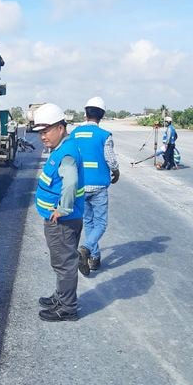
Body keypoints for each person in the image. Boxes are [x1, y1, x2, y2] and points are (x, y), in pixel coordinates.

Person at [32, 103, 86, 322]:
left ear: (61, 128)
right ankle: (61, 296)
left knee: (64, 264)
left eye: (46, 131)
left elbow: (71, 182)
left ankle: (67, 307)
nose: (42, 136)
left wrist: (62, 209)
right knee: (62, 262)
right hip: (63, 221)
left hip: (62, 222)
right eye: (40, 132)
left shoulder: (66, 154)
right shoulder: (63, 148)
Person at [74, 97, 119, 272]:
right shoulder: (104, 135)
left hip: (80, 185)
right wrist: (116, 172)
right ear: (102, 115)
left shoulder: (75, 134)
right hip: (99, 187)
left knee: (88, 221)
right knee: (100, 223)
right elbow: (111, 160)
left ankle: (94, 258)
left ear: (86, 113)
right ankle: (85, 249)